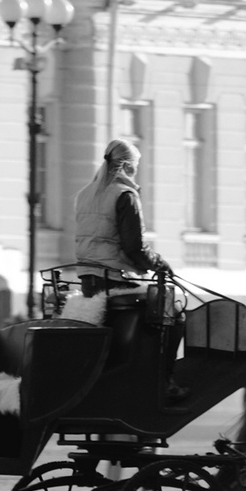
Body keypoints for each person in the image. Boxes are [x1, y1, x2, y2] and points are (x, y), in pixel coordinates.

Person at [73, 139, 185, 401]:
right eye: (135, 166)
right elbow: (134, 247)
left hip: (89, 280)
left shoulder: (85, 194)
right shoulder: (125, 195)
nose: (136, 172)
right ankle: (164, 381)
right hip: (115, 280)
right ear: (127, 166)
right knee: (174, 312)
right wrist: (159, 263)